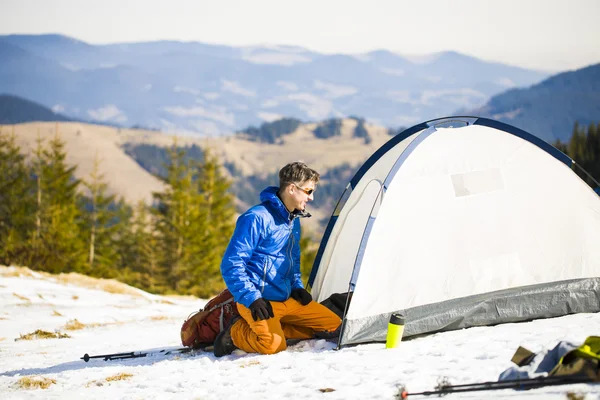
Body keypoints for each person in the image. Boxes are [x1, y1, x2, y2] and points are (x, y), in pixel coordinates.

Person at [214, 161, 342, 357]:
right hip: (260, 302)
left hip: (286, 298)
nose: (311, 197)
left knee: (334, 327)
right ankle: (235, 332)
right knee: (273, 346)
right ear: (292, 188)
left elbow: (292, 261)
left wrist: (297, 286)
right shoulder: (255, 218)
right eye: (308, 191)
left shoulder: (293, 221)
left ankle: (273, 328)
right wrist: (252, 298)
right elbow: (232, 265)